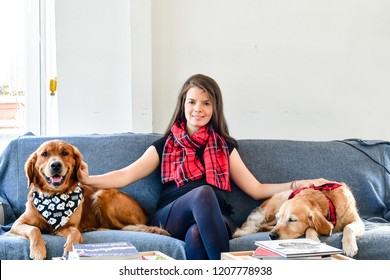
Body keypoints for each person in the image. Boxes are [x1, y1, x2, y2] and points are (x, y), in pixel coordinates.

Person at [78, 74, 332, 260]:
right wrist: (88, 179)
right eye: (192, 102)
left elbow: (256, 189)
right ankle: (228, 271)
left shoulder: (224, 146)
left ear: (214, 108)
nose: (198, 109)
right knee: (203, 193)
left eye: (206, 103)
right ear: (183, 105)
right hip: (171, 215)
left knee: (197, 235)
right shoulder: (165, 144)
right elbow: (124, 175)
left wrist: (301, 185)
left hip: (216, 218)